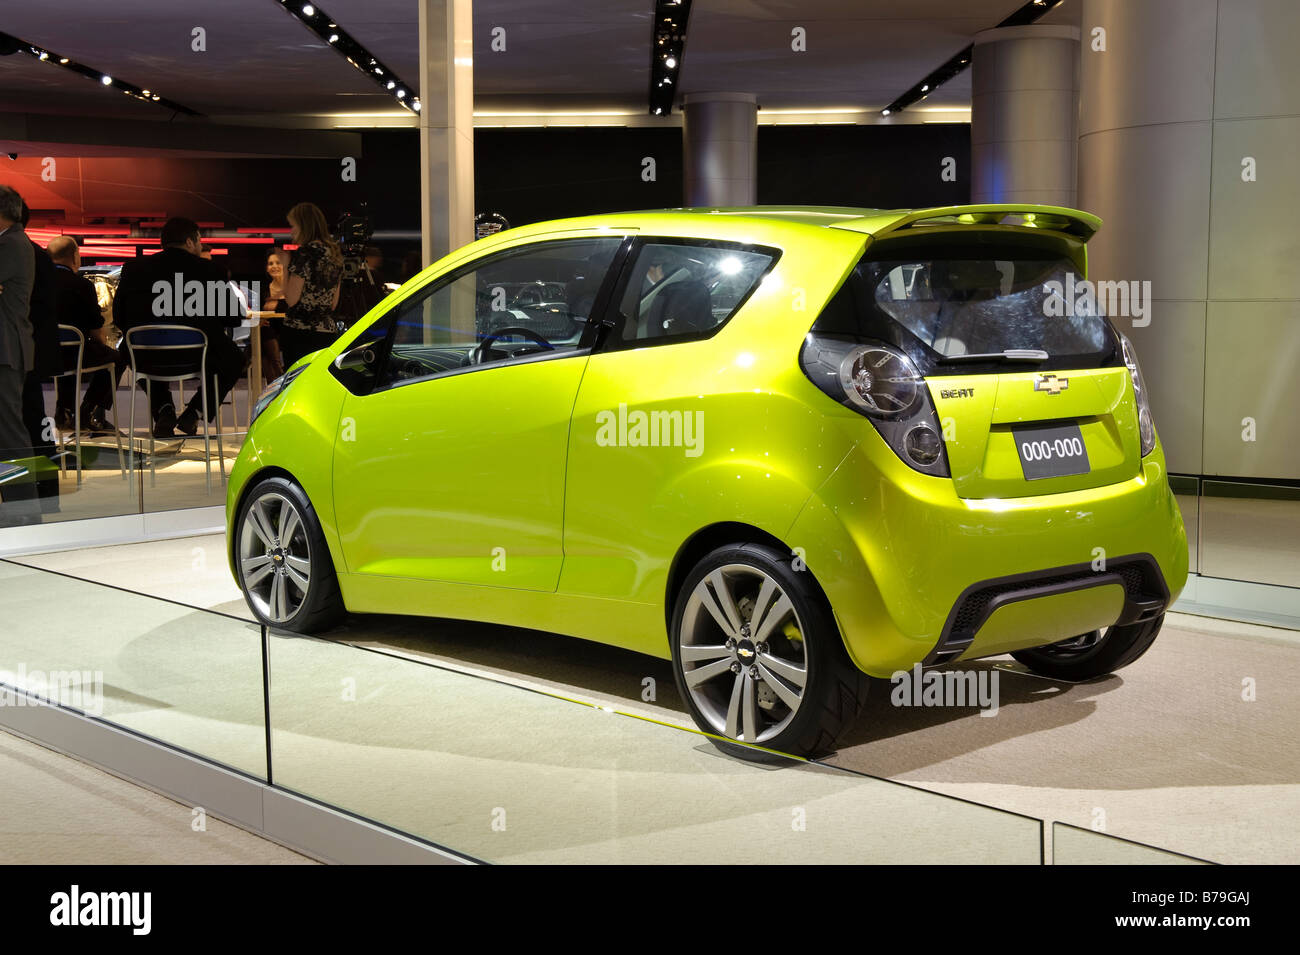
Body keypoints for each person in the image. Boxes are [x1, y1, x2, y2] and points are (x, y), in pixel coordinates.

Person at [113, 217, 247, 438]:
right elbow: (234, 318)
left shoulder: (133, 269)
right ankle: (195, 411)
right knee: (234, 358)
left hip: (147, 357)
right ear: (190, 241)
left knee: (132, 351)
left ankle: (163, 409)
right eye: (200, 241)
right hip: (197, 356)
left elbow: (119, 317)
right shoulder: (211, 270)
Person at [49, 236, 126, 435]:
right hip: (75, 353)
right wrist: (103, 346)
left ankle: (64, 411)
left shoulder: (36, 283)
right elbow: (95, 330)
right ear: (75, 256)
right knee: (115, 358)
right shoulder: (81, 285)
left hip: (42, 353)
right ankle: (90, 412)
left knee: (68, 353)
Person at [19, 203, 61, 510]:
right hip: (31, 349)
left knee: (29, 419)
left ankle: (42, 494)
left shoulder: (20, 252)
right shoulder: (37, 253)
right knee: (34, 419)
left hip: (23, 350)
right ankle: (46, 493)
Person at [0, 184, 37, 524]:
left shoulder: (10, 244)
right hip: (9, 348)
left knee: (9, 432)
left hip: (6, 350)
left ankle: (23, 511)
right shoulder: (15, 241)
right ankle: (18, 508)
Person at [279, 202, 343, 367]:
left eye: (293, 226)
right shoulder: (335, 254)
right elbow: (333, 303)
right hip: (326, 331)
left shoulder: (305, 254)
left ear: (304, 226)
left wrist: (285, 267)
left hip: (300, 332)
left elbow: (291, 299)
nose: (291, 231)